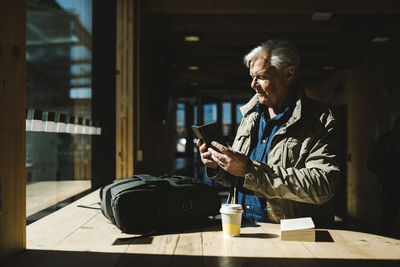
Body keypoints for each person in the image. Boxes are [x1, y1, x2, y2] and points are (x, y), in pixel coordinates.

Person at [196, 39, 340, 227]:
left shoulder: (320, 120)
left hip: (289, 236)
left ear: (288, 74)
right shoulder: (250, 116)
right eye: (252, 77)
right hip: (241, 227)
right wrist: (219, 166)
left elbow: (323, 185)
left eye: (262, 77)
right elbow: (240, 177)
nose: (253, 85)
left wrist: (250, 170)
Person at [367, 117, 400, 237]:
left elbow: (371, 164)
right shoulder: (386, 140)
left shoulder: (385, 139)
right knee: (388, 215)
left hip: (388, 184)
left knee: (388, 216)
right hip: (389, 184)